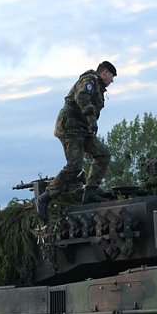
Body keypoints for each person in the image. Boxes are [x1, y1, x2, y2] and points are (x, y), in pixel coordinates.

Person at [35, 61, 117, 222]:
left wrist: (90, 122)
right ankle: (45, 197)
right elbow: (81, 96)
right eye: (112, 76)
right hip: (69, 126)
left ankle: (90, 191)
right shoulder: (89, 80)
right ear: (105, 72)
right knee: (74, 167)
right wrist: (91, 119)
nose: (112, 81)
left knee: (103, 154)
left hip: (82, 128)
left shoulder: (98, 87)